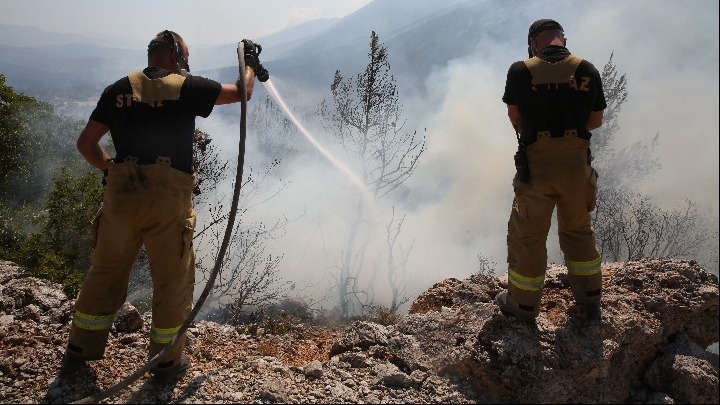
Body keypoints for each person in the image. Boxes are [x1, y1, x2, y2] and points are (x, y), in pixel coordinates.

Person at [58, 30, 262, 382]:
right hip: (167, 203)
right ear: (174, 55)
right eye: (185, 59)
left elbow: (86, 143)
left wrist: (110, 169)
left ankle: (79, 350)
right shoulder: (185, 87)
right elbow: (242, 92)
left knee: (104, 274)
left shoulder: (117, 89)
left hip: (121, 200)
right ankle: (166, 365)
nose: (186, 65)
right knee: (172, 283)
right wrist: (251, 66)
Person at [495, 19, 606, 323]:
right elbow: (595, 121)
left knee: (528, 237)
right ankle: (589, 299)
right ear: (563, 40)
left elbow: (514, 117)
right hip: (576, 167)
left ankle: (523, 305)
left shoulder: (520, 71)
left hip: (536, 169)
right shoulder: (587, 70)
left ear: (533, 43)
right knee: (578, 231)